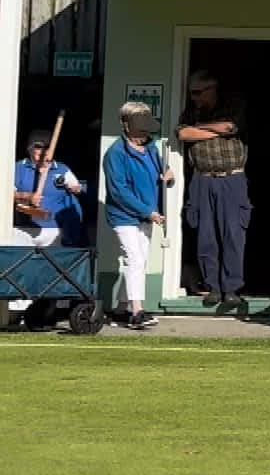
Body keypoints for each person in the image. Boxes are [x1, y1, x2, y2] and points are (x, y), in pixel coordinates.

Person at [175, 70, 250, 306]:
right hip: (202, 179)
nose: (194, 98)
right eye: (191, 93)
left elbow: (231, 127)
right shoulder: (190, 111)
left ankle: (232, 288)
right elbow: (184, 133)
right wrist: (212, 129)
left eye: (198, 92)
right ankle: (213, 287)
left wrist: (202, 129)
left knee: (233, 234)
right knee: (205, 234)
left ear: (212, 88)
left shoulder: (234, 104)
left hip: (232, 179)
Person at [102, 103, 174, 329]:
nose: (145, 133)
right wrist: (147, 211)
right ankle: (137, 310)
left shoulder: (152, 149)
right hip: (124, 215)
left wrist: (168, 175)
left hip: (148, 214)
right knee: (135, 258)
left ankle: (121, 309)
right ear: (126, 124)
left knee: (138, 262)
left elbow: (162, 173)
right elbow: (118, 191)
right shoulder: (115, 153)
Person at [12, 128, 86, 246]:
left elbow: (77, 188)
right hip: (23, 229)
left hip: (54, 229)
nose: (43, 151)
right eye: (38, 146)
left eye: (47, 147)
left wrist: (75, 188)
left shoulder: (62, 169)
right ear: (29, 148)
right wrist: (27, 196)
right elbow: (6, 194)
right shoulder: (19, 168)